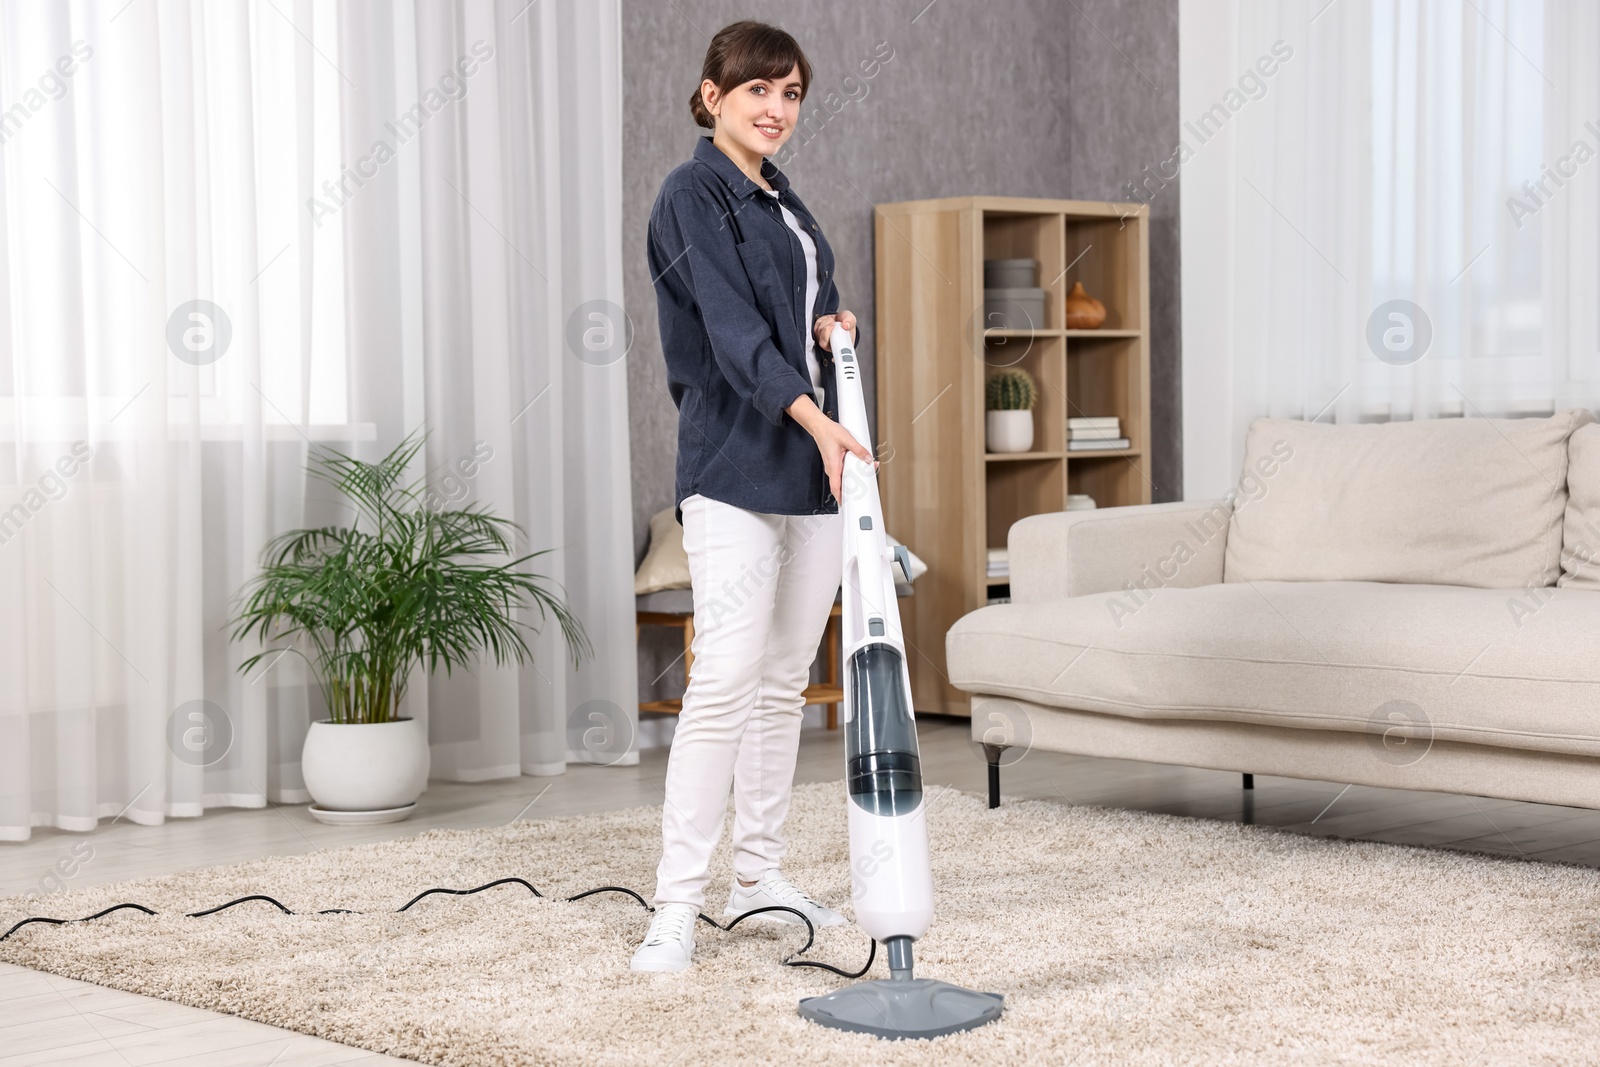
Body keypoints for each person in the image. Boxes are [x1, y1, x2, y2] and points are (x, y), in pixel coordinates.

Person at [632, 19, 876, 973]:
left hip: (810, 470)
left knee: (784, 678)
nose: (776, 111)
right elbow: (731, 334)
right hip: (736, 464)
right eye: (757, 93)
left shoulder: (785, 200)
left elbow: (785, 310)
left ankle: (759, 874)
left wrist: (830, 321)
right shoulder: (692, 192)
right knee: (727, 674)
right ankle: (675, 905)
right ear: (711, 95)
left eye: (790, 95)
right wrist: (819, 422)